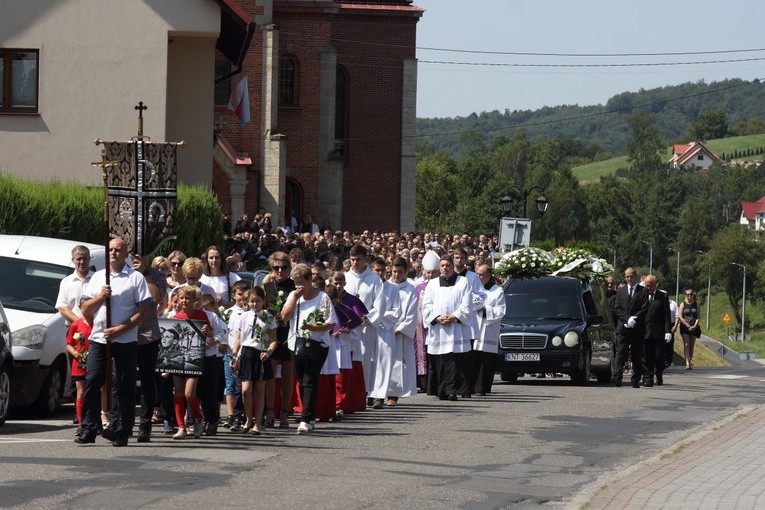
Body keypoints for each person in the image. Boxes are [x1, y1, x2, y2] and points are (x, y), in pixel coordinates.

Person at [76, 237, 152, 446]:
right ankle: (89, 427)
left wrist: (121, 328)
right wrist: (100, 297)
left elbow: (144, 310)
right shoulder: (98, 277)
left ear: (126, 253)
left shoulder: (135, 278)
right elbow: (85, 308)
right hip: (99, 338)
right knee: (93, 380)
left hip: (125, 339)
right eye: (110, 249)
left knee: (124, 385)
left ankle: (122, 429)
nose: (114, 253)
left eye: (118, 250)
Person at [278, 263, 337, 434]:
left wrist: (314, 328)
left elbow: (331, 322)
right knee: (302, 379)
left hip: (317, 344)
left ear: (310, 280)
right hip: (295, 343)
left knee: (310, 379)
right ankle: (309, 415)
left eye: (301, 283)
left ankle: (305, 418)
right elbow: (284, 316)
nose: (299, 287)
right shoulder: (294, 296)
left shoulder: (322, 298)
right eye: (296, 283)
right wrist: (295, 298)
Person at [421, 255, 473, 401]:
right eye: (442, 265)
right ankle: (441, 390)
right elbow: (426, 305)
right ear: (439, 267)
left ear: (452, 266)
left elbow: (467, 304)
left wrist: (455, 316)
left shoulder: (463, 282)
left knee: (455, 361)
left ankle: (453, 390)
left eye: (448, 265)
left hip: (456, 328)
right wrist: (436, 317)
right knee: (441, 360)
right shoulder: (432, 284)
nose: (445, 268)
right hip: (439, 329)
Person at [129, 253, 167, 443]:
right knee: (121, 380)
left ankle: (145, 425)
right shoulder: (124, 273)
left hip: (147, 335)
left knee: (147, 381)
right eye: (133, 255)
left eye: (140, 255)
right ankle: (124, 423)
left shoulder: (157, 275)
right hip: (125, 334)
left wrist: (144, 273)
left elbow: (155, 296)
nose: (136, 258)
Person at [170, 285, 214, 440]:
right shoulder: (176, 318)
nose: (183, 301)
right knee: (178, 393)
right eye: (181, 298)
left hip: (194, 359)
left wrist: (206, 331)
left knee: (189, 394)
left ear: (195, 300)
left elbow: (210, 333)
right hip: (178, 359)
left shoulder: (201, 315)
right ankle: (181, 427)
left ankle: (198, 417)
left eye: (187, 298)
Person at [231, 287, 277, 435]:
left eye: (257, 301)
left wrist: (269, 351)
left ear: (263, 301)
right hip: (247, 353)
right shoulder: (244, 317)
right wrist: (234, 354)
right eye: (252, 301)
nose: (254, 304)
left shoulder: (269, 317)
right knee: (245, 389)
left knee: (259, 390)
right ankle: (248, 418)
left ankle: (257, 422)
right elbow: (238, 337)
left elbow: (273, 340)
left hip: (261, 353)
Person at [343, 244, 385, 401]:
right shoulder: (345, 278)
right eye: (352, 259)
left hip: (365, 326)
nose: (354, 263)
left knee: (366, 359)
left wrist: (366, 317)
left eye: (358, 259)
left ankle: (365, 392)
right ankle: (348, 394)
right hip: (347, 327)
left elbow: (380, 304)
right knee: (348, 360)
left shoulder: (374, 279)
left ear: (365, 259)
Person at [263, 251, 296, 428]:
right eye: (276, 268)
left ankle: (284, 412)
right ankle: (269, 411)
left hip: (289, 332)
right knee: (270, 373)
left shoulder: (294, 286)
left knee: (287, 375)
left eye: (284, 267)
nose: (280, 271)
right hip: (272, 333)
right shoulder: (267, 286)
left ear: (289, 268)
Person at [367, 257, 402, 409]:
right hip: (367, 328)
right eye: (377, 270)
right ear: (372, 270)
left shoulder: (393, 289)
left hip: (384, 329)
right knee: (368, 361)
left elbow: (396, 312)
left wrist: (378, 316)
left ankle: (378, 396)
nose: (380, 273)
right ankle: (367, 392)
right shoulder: (368, 286)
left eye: (382, 271)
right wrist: (370, 317)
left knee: (383, 362)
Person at [384, 257, 418, 405]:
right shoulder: (384, 287)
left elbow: (411, 314)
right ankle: (377, 393)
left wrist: (399, 329)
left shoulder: (410, 290)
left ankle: (393, 394)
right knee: (381, 362)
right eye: (394, 271)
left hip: (399, 333)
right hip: (383, 330)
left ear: (405, 272)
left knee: (397, 363)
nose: (396, 275)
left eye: (400, 272)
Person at [472, 262, 506, 395]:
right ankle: (471, 387)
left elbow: (501, 310)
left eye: (481, 274)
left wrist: (485, 309)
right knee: (473, 359)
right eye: (477, 274)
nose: (478, 277)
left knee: (485, 361)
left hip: (488, 330)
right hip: (474, 329)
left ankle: (483, 388)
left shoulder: (497, 291)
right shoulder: (472, 289)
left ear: (488, 275)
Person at [611, 267, 649, 388]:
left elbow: (645, 308)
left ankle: (636, 379)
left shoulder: (642, 291)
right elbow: (617, 308)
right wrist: (627, 319)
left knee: (636, 354)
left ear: (635, 276)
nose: (629, 278)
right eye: (627, 276)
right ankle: (617, 377)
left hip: (637, 327)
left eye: (631, 276)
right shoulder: (621, 290)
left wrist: (634, 319)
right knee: (621, 352)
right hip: (623, 326)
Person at [220, 280, 250, 431]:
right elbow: (225, 333)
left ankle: (243, 414)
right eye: (239, 294)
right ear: (233, 295)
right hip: (230, 353)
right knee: (230, 385)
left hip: (246, 353)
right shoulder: (228, 313)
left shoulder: (250, 313)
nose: (242, 297)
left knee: (243, 386)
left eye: (245, 294)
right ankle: (231, 414)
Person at [66, 309, 94, 437]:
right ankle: (81, 423)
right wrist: (76, 354)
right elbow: (69, 344)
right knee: (80, 393)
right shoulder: (76, 324)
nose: (87, 311)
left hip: (94, 362)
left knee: (95, 392)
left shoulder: (98, 324)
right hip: (80, 363)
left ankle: (96, 420)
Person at [415, 250, 440, 392]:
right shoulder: (418, 287)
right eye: (427, 272)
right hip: (420, 326)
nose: (429, 275)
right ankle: (422, 383)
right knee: (421, 353)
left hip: (436, 324)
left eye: (433, 272)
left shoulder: (440, 287)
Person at [642, 275, 672, 386]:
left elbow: (666, 315)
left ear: (656, 285)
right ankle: (648, 378)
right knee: (646, 356)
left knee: (658, 356)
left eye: (650, 285)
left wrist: (668, 331)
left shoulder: (663, 296)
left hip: (658, 332)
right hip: (645, 331)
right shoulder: (642, 295)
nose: (648, 288)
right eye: (646, 285)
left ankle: (659, 374)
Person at [56, 245, 94, 326]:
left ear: (89, 259)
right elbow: (62, 307)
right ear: (73, 260)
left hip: (95, 329)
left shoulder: (98, 279)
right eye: (78, 259)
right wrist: (81, 324)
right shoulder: (66, 281)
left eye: (84, 258)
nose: (82, 262)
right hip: (73, 328)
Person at [678, 288, 701, 370]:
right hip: (685, 327)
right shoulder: (683, 304)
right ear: (685, 295)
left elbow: (698, 317)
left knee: (691, 345)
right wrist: (687, 325)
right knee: (686, 344)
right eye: (687, 294)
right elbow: (680, 316)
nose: (689, 296)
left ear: (693, 295)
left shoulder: (696, 304)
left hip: (694, 327)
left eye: (691, 294)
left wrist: (695, 325)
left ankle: (689, 360)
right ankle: (687, 362)